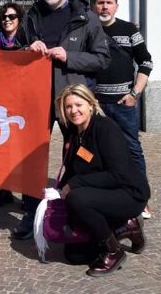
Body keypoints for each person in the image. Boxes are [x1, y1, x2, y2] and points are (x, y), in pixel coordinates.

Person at [13, 0, 111, 240]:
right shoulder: (32, 16)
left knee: (79, 154)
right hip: (36, 98)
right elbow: (15, 53)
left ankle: (75, 209)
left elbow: (102, 58)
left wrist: (69, 57)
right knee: (31, 157)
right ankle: (31, 214)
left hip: (72, 100)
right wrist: (26, 50)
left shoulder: (85, 17)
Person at [55, 84, 149, 275]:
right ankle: (126, 227)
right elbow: (72, 168)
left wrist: (73, 185)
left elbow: (118, 175)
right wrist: (57, 192)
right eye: (68, 107)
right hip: (103, 192)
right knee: (74, 255)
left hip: (128, 193)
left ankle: (113, 251)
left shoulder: (106, 128)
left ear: (91, 105)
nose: (74, 111)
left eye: (78, 105)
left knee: (77, 199)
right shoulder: (75, 132)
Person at [91, 0, 154, 219]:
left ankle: (141, 199)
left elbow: (146, 62)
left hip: (122, 104)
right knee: (101, 151)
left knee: (132, 150)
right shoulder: (90, 30)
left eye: (109, 2)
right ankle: (109, 194)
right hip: (96, 106)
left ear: (116, 6)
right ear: (93, 6)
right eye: (100, 3)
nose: (104, 7)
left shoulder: (128, 30)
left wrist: (134, 94)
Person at [0, 1, 28, 207]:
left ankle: (25, 194)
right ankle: (4, 191)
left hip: (22, 102)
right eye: (4, 17)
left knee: (22, 150)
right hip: (0, 102)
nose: (7, 20)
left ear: (19, 20)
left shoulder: (27, 40)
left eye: (12, 17)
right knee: (2, 148)